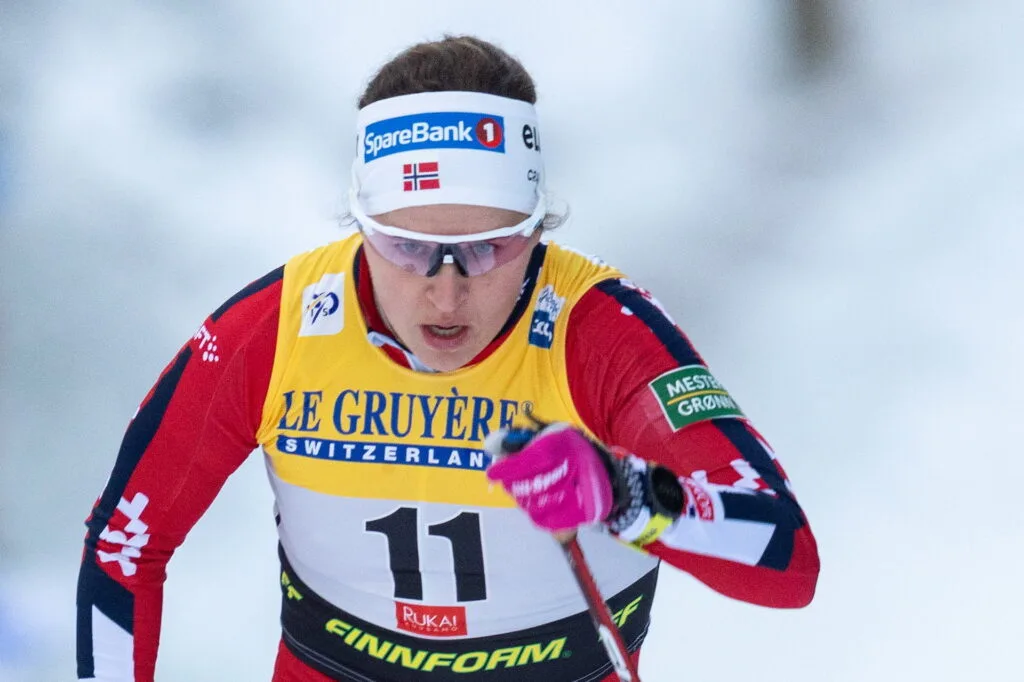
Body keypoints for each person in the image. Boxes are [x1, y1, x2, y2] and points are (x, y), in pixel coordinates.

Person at [76, 35, 820, 682]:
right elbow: (123, 546)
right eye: (407, 248)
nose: (445, 292)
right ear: (359, 224)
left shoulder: (600, 334)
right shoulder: (279, 330)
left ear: (539, 231)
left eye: (487, 248)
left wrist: (627, 495)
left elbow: (788, 560)